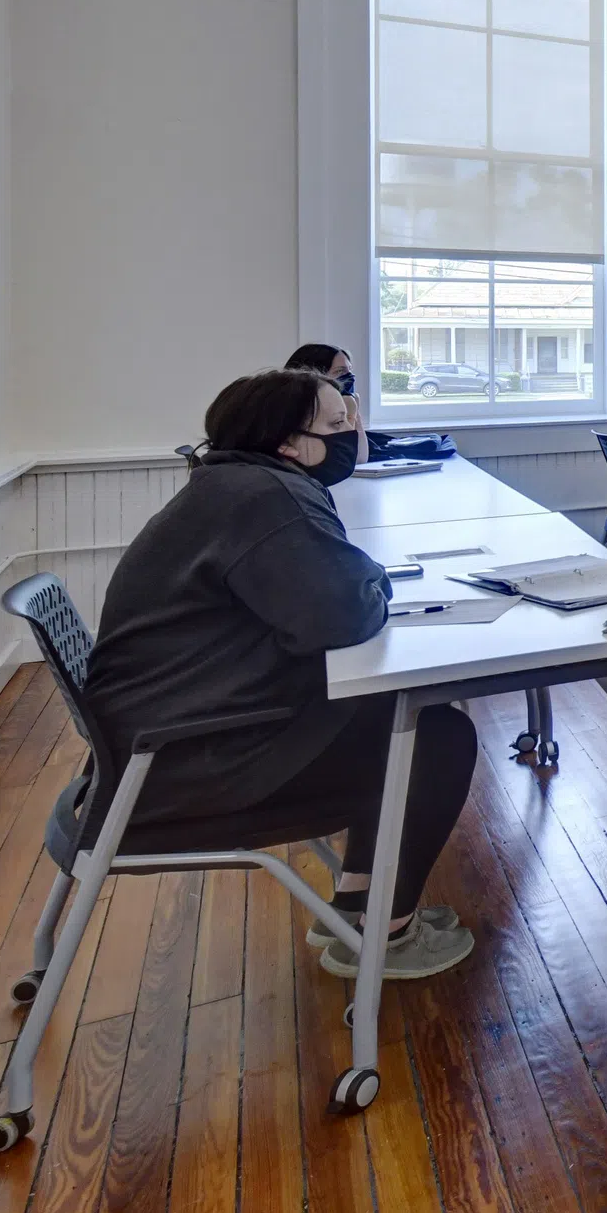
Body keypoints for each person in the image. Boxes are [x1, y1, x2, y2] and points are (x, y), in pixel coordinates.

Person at [84, 368, 477, 980]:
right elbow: (344, 611)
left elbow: (331, 594)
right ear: (290, 444)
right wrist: (372, 577)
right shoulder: (268, 499)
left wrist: (361, 576)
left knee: (393, 708)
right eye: (336, 424)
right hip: (181, 764)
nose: (351, 431)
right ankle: (383, 937)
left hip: (155, 742)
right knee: (438, 736)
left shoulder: (232, 486)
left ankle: (359, 907)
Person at [280, 342, 368, 464]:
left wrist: (354, 411)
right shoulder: (301, 412)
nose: (349, 377)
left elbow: (361, 458)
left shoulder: (347, 403)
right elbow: (354, 456)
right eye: (340, 371)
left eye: (349, 370)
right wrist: (351, 414)